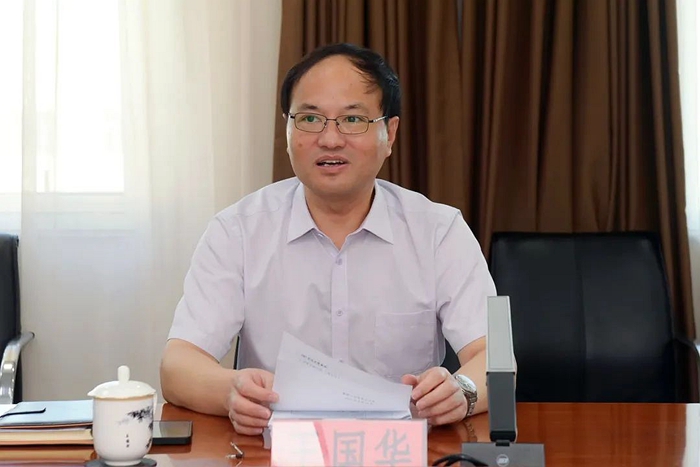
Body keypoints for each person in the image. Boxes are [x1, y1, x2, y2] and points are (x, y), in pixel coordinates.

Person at [160, 43, 497, 436]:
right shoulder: (237, 231)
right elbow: (178, 364)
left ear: (389, 134)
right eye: (310, 119)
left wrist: (463, 390)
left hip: (400, 451)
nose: (331, 139)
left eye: (353, 119)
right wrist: (229, 391)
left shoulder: (438, 232)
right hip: (278, 451)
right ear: (287, 130)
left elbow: (493, 356)